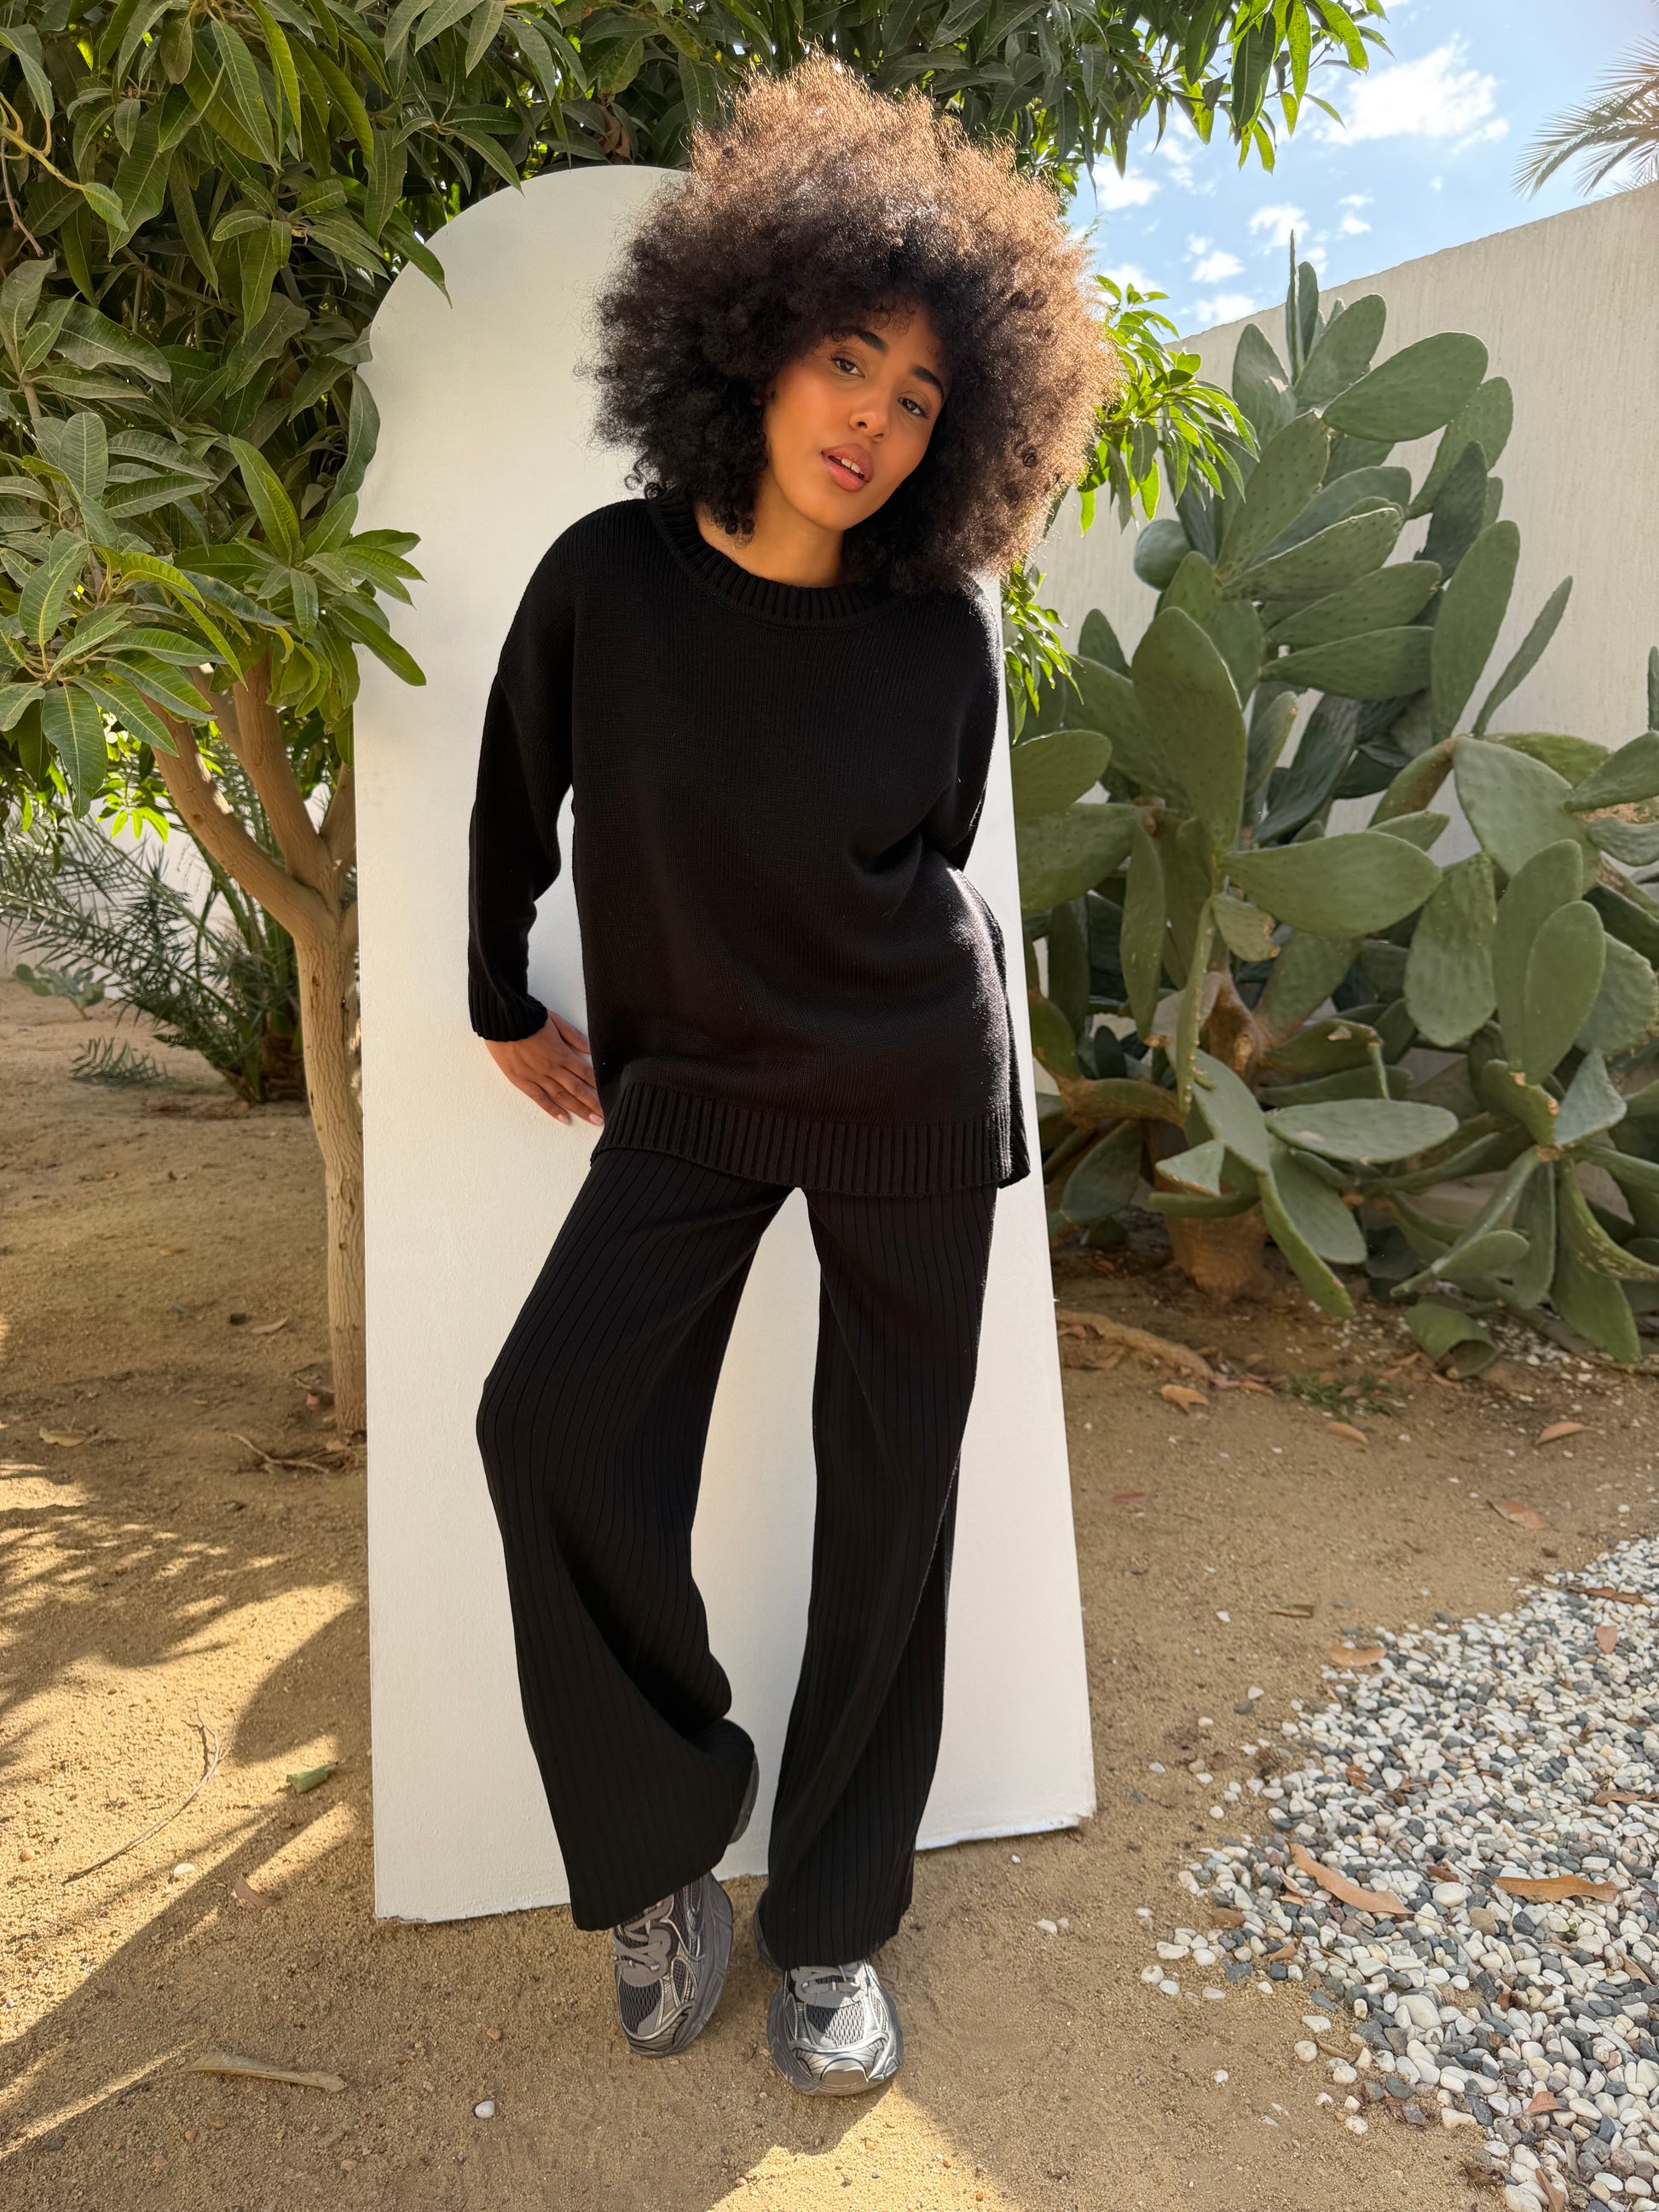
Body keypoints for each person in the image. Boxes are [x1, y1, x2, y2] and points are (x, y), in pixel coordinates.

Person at [468, 58, 1111, 2096]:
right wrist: (496, 996)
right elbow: (512, 799)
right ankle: (667, 1835)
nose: (872, 421)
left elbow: (932, 843)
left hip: (911, 1080)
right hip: (693, 1084)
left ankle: (833, 1920)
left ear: (961, 435)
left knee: (891, 1499)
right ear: (748, 341)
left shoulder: (938, 633)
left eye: (920, 397)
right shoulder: (606, 578)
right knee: (545, 1423)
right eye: (847, 360)